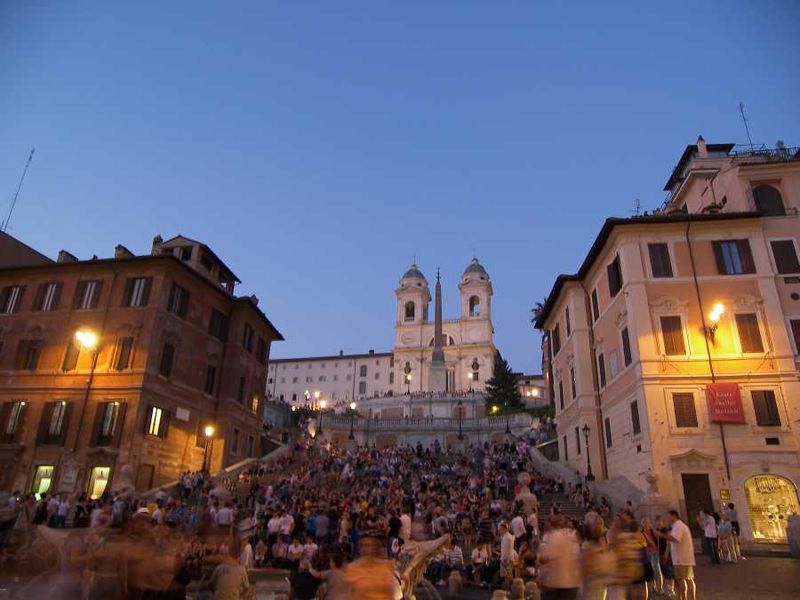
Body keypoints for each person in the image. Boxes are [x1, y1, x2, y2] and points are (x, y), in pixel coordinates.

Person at [342, 531, 402, 600]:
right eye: (365, 545)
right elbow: (346, 594)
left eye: (372, 545)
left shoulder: (386, 566)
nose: (369, 549)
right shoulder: (352, 569)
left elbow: (393, 593)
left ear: (377, 547)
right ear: (360, 548)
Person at [537, 515, 581, 600]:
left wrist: (540, 557)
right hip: (571, 581)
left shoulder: (553, 536)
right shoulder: (572, 535)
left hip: (556, 582)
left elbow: (547, 559)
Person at [657, 510, 695, 600]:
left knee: (682, 580)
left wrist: (661, 535)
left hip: (681, 559)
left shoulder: (678, 525)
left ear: (673, 516)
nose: (667, 519)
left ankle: (685, 598)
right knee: (687, 579)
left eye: (668, 516)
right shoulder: (678, 526)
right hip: (682, 558)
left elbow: (675, 539)